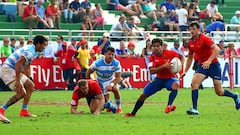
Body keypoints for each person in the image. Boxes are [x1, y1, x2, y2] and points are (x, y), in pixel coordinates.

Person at [180, 21, 240, 115]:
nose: (191, 31)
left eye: (194, 29)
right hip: (203, 65)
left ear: (198, 30)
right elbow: (190, 57)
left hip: (213, 65)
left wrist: (209, 60)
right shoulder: (191, 42)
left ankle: (235, 96)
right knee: (194, 83)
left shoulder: (205, 38)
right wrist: (185, 71)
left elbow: (217, 49)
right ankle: (195, 109)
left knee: (219, 92)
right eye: (190, 29)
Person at [124, 38, 184, 117]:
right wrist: (164, 66)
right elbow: (152, 71)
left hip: (170, 78)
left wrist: (180, 67)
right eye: (154, 46)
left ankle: (169, 106)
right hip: (158, 79)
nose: (156, 48)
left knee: (176, 84)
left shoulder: (170, 53)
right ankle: (133, 113)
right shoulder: (152, 57)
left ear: (162, 47)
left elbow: (182, 57)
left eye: (158, 46)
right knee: (143, 96)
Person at [0, 35, 48, 124]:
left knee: (30, 85)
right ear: (38, 44)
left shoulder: (33, 50)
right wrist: (18, 81)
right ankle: (1, 110)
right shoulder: (30, 51)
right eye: (43, 45)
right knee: (21, 93)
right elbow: (18, 64)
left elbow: (26, 66)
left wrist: (28, 79)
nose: (44, 47)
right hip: (8, 70)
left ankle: (24, 111)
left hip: (12, 69)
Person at [86, 47, 122, 113]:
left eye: (112, 54)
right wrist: (90, 83)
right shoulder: (98, 63)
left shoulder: (116, 63)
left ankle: (118, 108)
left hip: (110, 80)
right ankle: (109, 105)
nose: (111, 56)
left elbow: (118, 77)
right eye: (109, 54)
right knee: (97, 107)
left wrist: (111, 84)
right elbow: (88, 72)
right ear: (105, 54)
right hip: (99, 82)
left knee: (115, 89)